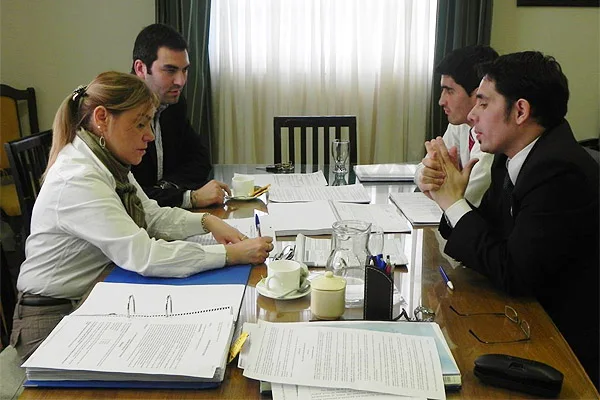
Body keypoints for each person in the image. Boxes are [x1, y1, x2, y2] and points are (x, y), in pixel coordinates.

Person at [11, 72, 273, 361]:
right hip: (51, 319)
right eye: (139, 123)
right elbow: (144, 255)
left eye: (149, 122)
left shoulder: (108, 161)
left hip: (92, 296)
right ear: (102, 118)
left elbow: (152, 217)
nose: (149, 134)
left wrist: (207, 221)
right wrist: (230, 255)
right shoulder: (79, 178)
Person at [421, 51, 599, 388]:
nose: (472, 115)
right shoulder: (513, 156)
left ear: (520, 111)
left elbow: (513, 272)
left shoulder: (559, 171)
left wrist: (455, 203)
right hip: (523, 318)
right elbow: (488, 237)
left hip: (566, 350)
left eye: (484, 103)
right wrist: (450, 199)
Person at [130, 23, 229, 208]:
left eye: (185, 70)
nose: (181, 81)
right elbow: (128, 194)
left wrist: (166, 187)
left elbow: (199, 159)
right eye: (170, 70)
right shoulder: (119, 113)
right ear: (141, 69)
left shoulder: (174, 104)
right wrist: (188, 197)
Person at [415, 45, 498, 206]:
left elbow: (464, 199)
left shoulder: (492, 137)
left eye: (450, 91)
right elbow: (424, 168)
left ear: (478, 93)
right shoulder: (459, 123)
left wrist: (435, 186)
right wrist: (425, 176)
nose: (441, 101)